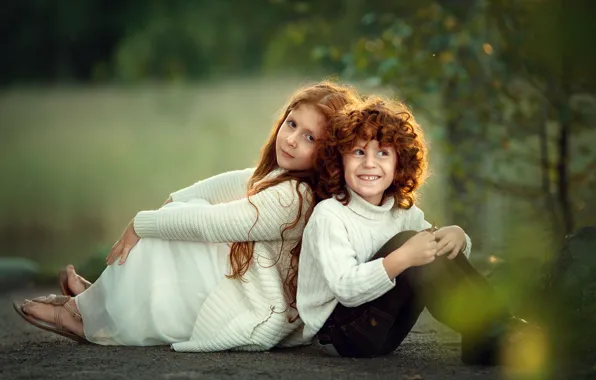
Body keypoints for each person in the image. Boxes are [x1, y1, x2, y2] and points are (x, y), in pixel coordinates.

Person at [13, 81, 361, 352]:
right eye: (291, 124)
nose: (292, 139)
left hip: (255, 308)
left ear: (328, 152)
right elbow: (228, 184)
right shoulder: (282, 180)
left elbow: (212, 223)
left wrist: (142, 223)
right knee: (181, 212)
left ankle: (87, 318)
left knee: (180, 230)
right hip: (246, 285)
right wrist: (175, 200)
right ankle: (101, 301)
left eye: (309, 137)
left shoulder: (296, 198)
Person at [296, 96, 534, 365]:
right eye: (358, 152)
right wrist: (403, 258)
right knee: (411, 243)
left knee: (429, 241)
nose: (370, 163)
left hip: (387, 332)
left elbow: (439, 254)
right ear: (339, 161)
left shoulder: (400, 211)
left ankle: (492, 330)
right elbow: (346, 289)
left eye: (383, 153)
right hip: (342, 335)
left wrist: (457, 236)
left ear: (399, 164)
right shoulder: (330, 214)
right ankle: (494, 333)